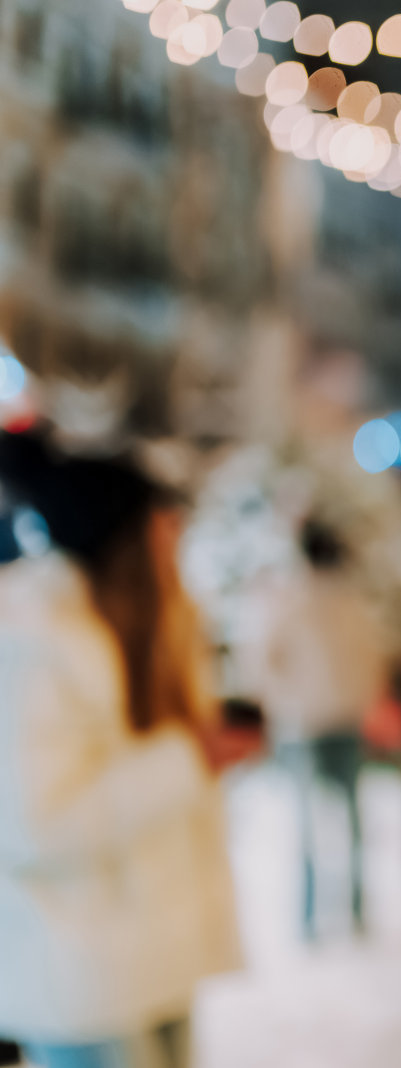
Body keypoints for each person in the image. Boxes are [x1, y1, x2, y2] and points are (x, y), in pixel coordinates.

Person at [0, 429, 256, 1068]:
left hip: (155, 958)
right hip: (81, 973)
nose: (176, 534)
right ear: (126, 536)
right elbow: (34, 826)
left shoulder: (149, 627)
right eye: (162, 520)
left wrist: (206, 751)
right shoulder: (35, 641)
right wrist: (187, 757)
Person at [238, 518, 386, 941]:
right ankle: (354, 912)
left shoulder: (290, 601)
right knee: (351, 823)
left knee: (307, 828)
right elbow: (372, 661)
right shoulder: (352, 603)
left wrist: (282, 701)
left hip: (304, 724)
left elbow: (262, 659)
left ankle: (308, 921)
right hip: (342, 720)